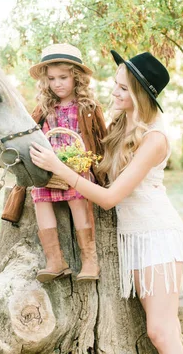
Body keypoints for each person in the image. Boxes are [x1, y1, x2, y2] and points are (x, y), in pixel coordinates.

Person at [30, 50, 183, 353]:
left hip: (156, 235)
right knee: (163, 326)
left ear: (140, 94)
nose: (113, 92)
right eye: (115, 84)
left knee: (160, 330)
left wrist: (59, 168)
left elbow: (109, 198)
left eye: (122, 88)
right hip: (133, 236)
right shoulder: (122, 123)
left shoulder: (155, 137)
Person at [21, 43, 108, 283]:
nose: (57, 83)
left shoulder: (88, 107)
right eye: (51, 78)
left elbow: (100, 140)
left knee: (78, 201)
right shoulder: (42, 109)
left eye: (63, 77)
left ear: (76, 78)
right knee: (39, 198)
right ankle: (55, 259)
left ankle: (90, 260)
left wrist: (93, 166)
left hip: (77, 167)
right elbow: (30, 137)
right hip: (48, 168)